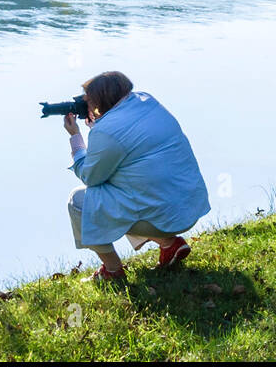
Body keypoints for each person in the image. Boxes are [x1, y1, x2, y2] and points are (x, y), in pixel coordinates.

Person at [64, 70, 210, 283]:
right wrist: (98, 126)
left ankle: (112, 271)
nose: (88, 106)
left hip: (162, 217)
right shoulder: (149, 103)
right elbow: (130, 142)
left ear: (99, 101)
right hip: (187, 207)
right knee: (130, 186)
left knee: (78, 202)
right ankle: (170, 245)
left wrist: (76, 137)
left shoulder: (106, 131)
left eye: (89, 101)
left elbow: (90, 176)